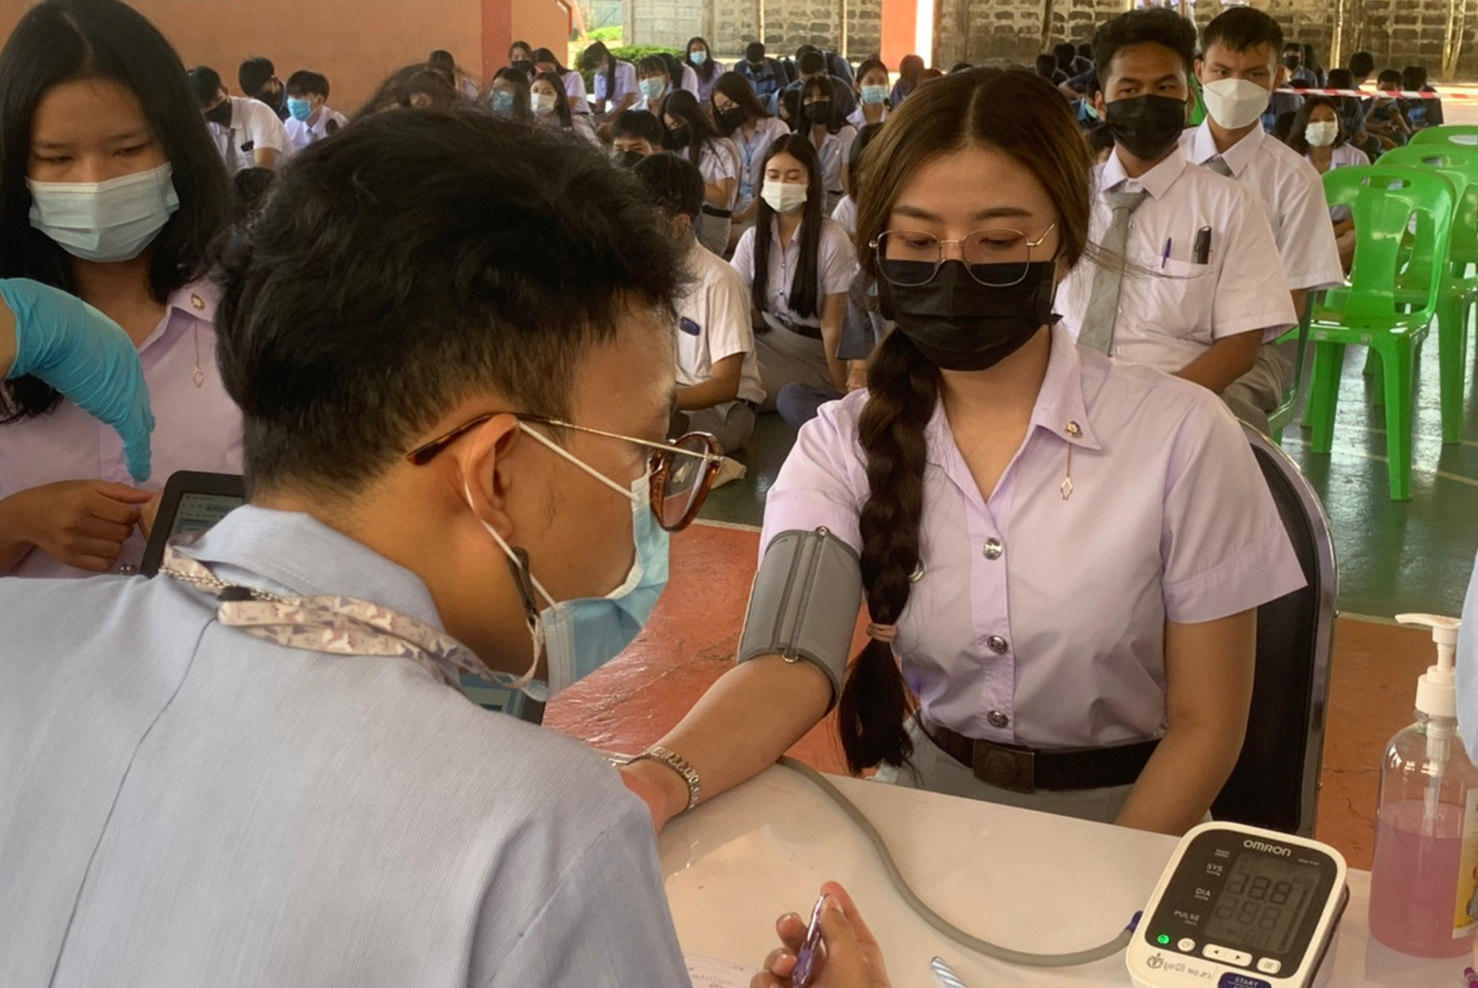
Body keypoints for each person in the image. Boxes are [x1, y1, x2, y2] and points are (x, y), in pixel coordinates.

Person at [0, 103, 889, 988]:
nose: (651, 503)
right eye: (645, 458)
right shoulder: (537, 835)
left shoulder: (22, 643)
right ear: (497, 470)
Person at [619, 68, 1304, 840]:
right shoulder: (841, 446)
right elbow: (784, 662)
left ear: (1067, 245)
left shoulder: (1182, 437)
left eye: (1000, 241)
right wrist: (655, 780)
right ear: (879, 251)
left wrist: (1109, 890)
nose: (953, 266)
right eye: (916, 240)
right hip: (922, 812)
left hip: (1133, 826)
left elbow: (1207, 727)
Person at [0, 0, 238, 579]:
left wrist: (226, 538)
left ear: (176, 145)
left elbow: (334, 527)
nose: (96, 183)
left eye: (129, 150)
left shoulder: (254, 311)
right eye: (56, 158)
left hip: (217, 660)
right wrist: (19, 522)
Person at [1054, 8, 1298, 433]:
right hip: (1064, 397)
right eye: (1129, 89)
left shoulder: (1233, 206)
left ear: (1189, 99)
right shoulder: (1067, 198)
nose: (1147, 101)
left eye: (1165, 87)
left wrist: (1154, 412)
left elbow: (1240, 348)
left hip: (1180, 404)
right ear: (1100, 104)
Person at [1180, 8, 1342, 353]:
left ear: (1277, 77)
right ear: (1199, 71)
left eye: (1254, 74)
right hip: (1159, 338)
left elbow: (1292, 300)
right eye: (1222, 72)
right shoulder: (1167, 159)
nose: (1236, 87)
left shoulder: (1296, 181)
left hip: (1254, 350)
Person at [633, 154, 764, 453]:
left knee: (651, 451)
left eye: (646, 223)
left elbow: (725, 385)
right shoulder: (644, 273)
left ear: (680, 224)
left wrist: (658, 401)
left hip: (724, 410)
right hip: (668, 400)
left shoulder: (719, 280)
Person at [730, 135, 854, 415]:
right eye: (773, 175)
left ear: (810, 181)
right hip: (768, 337)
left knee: (736, 384)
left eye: (793, 176)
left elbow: (833, 327)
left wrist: (839, 392)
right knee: (710, 367)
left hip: (812, 353)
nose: (781, 184)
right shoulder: (754, 238)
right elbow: (732, 297)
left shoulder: (831, 240)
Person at [712, 72, 790, 247]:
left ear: (743, 97)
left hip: (767, 210)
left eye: (729, 104)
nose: (727, 112)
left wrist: (744, 215)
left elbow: (776, 182)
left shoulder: (776, 130)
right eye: (722, 110)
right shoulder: (729, 135)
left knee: (727, 239)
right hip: (734, 210)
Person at [1287, 97, 1366, 270]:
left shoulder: (1356, 158)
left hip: (1343, 228)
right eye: (1314, 120)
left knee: (1348, 243)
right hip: (1302, 228)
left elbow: (1365, 209)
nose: (1322, 125)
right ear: (1303, 125)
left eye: (1329, 119)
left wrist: (1331, 233)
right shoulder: (1290, 160)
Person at [662, 90, 740, 257]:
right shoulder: (679, 149)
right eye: (670, 127)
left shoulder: (721, 148)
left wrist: (685, 177)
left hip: (712, 223)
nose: (675, 130)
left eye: (678, 123)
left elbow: (722, 197)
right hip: (683, 221)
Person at [190, 66, 292, 173]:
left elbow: (263, 170)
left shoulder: (257, 112)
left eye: (217, 99)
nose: (214, 107)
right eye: (206, 106)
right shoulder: (205, 127)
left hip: (274, 186)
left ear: (225, 90)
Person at [798, 75, 858, 215]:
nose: (816, 102)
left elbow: (846, 175)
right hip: (805, 201)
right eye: (809, 99)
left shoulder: (847, 133)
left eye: (822, 97)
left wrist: (849, 210)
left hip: (835, 201)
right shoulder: (799, 136)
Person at [778, 49, 857, 121]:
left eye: (813, 81)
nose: (808, 85)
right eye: (803, 80)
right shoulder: (792, 90)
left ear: (825, 73)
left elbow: (850, 117)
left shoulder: (842, 90)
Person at [283, 70, 347, 151]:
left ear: (319, 100)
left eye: (299, 96)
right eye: (290, 97)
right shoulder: (289, 126)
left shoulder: (338, 124)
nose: (293, 102)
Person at [531, 71, 599, 146]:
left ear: (558, 100)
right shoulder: (523, 122)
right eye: (535, 91)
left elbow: (596, 150)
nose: (539, 96)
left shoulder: (574, 123)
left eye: (547, 92)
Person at [581, 41, 638, 118]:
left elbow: (628, 101)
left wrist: (609, 119)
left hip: (634, 111)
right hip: (616, 112)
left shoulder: (627, 68)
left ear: (605, 58)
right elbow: (600, 106)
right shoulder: (598, 77)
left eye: (596, 66)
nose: (596, 70)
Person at [532, 47, 592, 117]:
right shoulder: (536, 81)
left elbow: (568, 106)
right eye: (541, 71)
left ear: (555, 64)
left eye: (549, 69)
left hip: (577, 116)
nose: (546, 73)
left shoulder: (573, 76)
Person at [239, 55, 288, 120]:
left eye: (261, 93)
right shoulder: (251, 109)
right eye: (253, 97)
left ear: (274, 81)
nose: (258, 100)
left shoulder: (297, 103)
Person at [848, 58, 891, 129]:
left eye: (881, 82)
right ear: (857, 87)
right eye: (870, 82)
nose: (877, 86)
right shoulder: (849, 124)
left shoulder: (896, 120)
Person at [685, 36, 725, 102]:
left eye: (701, 49)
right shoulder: (686, 70)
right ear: (689, 53)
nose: (698, 53)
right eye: (694, 50)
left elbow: (723, 87)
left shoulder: (718, 67)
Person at [1403, 65, 1443, 130]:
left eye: (1417, 91)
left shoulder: (1431, 95)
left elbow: (1434, 124)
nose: (1413, 96)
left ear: (1423, 85)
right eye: (1408, 91)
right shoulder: (1397, 94)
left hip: (1422, 132)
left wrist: (1416, 129)